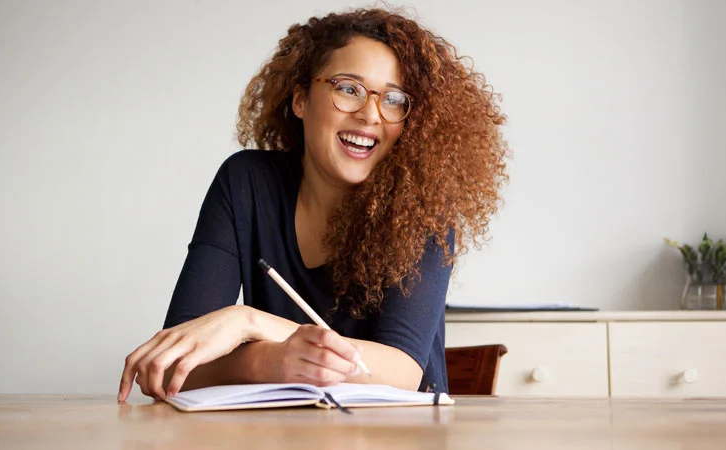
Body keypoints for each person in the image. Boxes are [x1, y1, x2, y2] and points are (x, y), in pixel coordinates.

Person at [118, 7, 508, 402]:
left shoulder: (423, 205)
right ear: (301, 99)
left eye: (393, 99)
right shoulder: (246, 183)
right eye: (349, 89)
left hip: (399, 437)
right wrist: (271, 361)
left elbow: (401, 370)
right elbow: (172, 364)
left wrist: (248, 322)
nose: (371, 114)